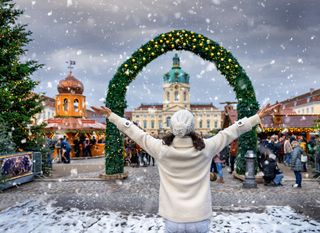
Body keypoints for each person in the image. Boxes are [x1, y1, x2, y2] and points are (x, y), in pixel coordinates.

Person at [92, 104, 277, 233]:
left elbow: (135, 132)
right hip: (200, 217)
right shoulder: (206, 147)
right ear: (192, 127)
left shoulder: (161, 149)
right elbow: (232, 131)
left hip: (173, 218)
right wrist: (257, 117)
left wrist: (112, 116)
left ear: (172, 127)